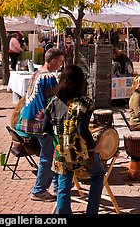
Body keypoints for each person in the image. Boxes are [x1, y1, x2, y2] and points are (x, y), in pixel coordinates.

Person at [47, 64, 105, 214]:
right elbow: (82, 129)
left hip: (62, 150)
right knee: (98, 176)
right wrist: (94, 145)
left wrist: (58, 142)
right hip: (81, 151)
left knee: (63, 185)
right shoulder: (84, 102)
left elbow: (44, 127)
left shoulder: (53, 101)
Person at [15, 48, 65, 202]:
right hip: (41, 123)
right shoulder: (49, 77)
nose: (61, 64)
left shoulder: (37, 73)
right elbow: (53, 102)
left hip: (28, 120)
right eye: (61, 61)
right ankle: (39, 190)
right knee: (48, 155)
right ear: (53, 61)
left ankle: (57, 186)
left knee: (50, 153)